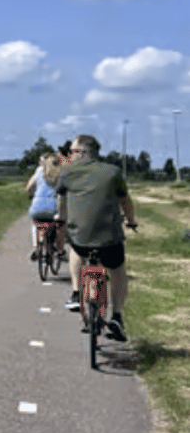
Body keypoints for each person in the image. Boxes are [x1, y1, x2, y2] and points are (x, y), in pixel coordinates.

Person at [56, 134, 139, 341]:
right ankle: (117, 316)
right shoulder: (113, 172)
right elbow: (125, 201)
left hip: (81, 239)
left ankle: (76, 293)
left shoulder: (67, 173)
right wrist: (131, 220)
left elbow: (61, 203)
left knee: (76, 250)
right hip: (109, 239)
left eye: (72, 152)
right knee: (118, 270)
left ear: (83, 152)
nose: (70, 156)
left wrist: (61, 219)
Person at [25, 151, 65, 263]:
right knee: (60, 225)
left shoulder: (39, 171)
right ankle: (59, 250)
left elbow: (28, 188)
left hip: (37, 208)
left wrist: (34, 194)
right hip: (53, 208)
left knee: (36, 224)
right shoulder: (60, 172)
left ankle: (36, 247)